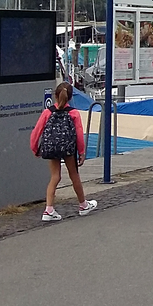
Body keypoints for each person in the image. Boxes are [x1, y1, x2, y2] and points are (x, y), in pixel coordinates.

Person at [30, 82, 96, 222]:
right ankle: (83, 205)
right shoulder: (73, 113)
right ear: (70, 97)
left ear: (55, 95)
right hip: (68, 149)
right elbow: (78, 135)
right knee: (74, 175)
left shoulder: (47, 112)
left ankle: (49, 209)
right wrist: (82, 152)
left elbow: (36, 132)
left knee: (55, 177)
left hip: (52, 148)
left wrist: (35, 148)